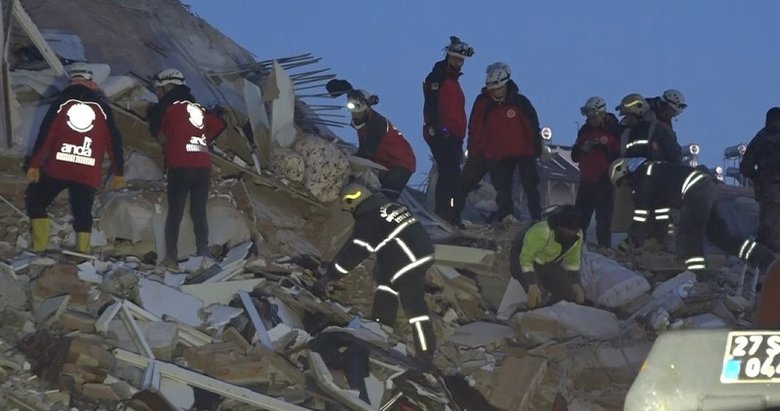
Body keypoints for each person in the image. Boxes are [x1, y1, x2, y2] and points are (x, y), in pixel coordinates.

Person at [314, 183, 436, 365]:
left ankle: (424, 357)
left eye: (350, 209)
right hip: (420, 252)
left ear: (353, 202)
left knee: (413, 307)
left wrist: (330, 276)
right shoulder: (389, 207)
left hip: (408, 259)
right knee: (386, 285)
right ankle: (382, 330)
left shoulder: (371, 219)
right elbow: (368, 242)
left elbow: (355, 252)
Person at [609, 157, 776, 281]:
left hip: (695, 191)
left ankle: (698, 279)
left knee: (689, 239)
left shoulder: (644, 179)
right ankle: (766, 260)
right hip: (706, 187)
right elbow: (659, 216)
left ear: (626, 171)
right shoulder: (653, 174)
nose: (627, 186)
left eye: (624, 182)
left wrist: (627, 244)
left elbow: (641, 218)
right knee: (721, 237)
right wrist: (661, 238)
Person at [25, 63, 125, 253]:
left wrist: (34, 164)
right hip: (86, 172)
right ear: (91, 82)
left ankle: (39, 247)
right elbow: (114, 142)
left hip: (58, 168)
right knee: (83, 213)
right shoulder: (102, 108)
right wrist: (119, 171)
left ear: (71, 82)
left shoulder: (62, 104)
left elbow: (46, 136)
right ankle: (83, 252)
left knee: (36, 201)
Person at [148, 68, 226, 267]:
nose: (157, 94)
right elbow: (218, 123)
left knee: (175, 212)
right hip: (202, 166)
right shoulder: (197, 108)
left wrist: (172, 141)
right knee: (198, 212)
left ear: (167, 87)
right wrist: (201, 140)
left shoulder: (167, 108)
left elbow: (157, 132)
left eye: (158, 89)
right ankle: (203, 252)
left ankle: (171, 257)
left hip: (180, 165)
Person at [454, 62, 542, 224]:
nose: (495, 92)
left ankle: (537, 218)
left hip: (524, 152)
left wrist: (536, 147)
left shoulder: (519, 102)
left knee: (530, 185)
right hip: (497, 153)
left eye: (498, 88)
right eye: (492, 89)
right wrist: (473, 151)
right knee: (501, 188)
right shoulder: (483, 103)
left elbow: (532, 126)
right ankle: (453, 213)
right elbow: (475, 127)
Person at [422, 35, 473, 224]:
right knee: (449, 175)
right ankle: (447, 214)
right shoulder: (437, 78)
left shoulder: (452, 80)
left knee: (450, 175)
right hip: (443, 134)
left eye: (461, 60)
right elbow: (432, 106)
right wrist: (440, 130)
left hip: (454, 135)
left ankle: (448, 213)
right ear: (448, 56)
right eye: (456, 59)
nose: (459, 63)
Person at [509, 205, 586, 309]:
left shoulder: (577, 236)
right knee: (537, 297)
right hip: (521, 259)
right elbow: (525, 259)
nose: (571, 234)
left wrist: (575, 283)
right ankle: (531, 314)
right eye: (568, 231)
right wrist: (532, 283)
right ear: (559, 227)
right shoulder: (541, 232)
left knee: (568, 292)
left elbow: (572, 262)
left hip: (548, 263)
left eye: (574, 231)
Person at [346, 89, 416, 200]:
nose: (355, 115)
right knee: (377, 192)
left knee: (385, 197)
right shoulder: (365, 123)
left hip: (401, 163)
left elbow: (366, 152)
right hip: (386, 162)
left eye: (358, 113)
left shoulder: (377, 124)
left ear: (367, 109)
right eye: (354, 113)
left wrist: (347, 161)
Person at [571, 97, 620, 247]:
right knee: (580, 218)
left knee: (603, 219)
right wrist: (582, 149)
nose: (590, 120)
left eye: (593, 117)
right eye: (588, 117)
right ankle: (578, 247)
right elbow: (574, 156)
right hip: (586, 180)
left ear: (602, 114)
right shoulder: (585, 131)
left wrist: (603, 148)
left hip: (604, 181)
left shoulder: (614, 130)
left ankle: (605, 248)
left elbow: (619, 156)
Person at [740, 107, 780, 254]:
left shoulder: (762, 137)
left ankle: (761, 268)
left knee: (767, 235)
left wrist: (758, 178)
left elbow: (745, 167)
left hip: (769, 192)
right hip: (770, 191)